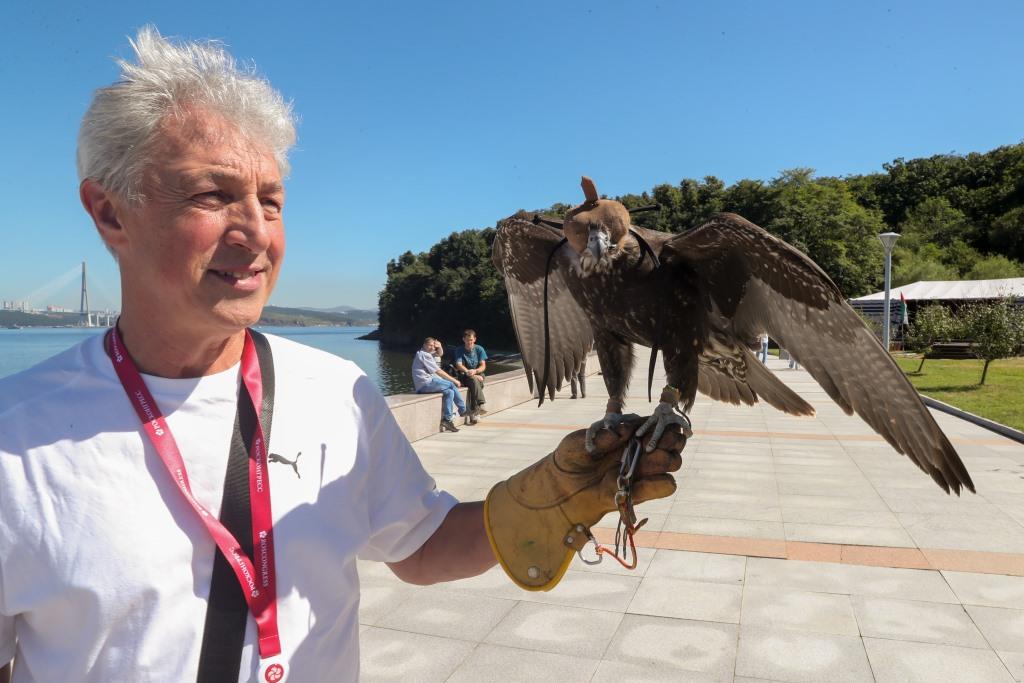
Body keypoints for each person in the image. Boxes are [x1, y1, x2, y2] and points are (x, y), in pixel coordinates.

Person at [0, 27, 684, 682]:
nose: (255, 232)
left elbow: (419, 543)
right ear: (110, 213)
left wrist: (549, 498)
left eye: (271, 201)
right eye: (213, 194)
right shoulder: (17, 439)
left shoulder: (335, 392)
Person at [412, 337, 466, 432]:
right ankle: (463, 410)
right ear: (424, 345)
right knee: (450, 384)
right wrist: (455, 380)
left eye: (433, 346)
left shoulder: (426, 353)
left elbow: (439, 354)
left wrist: (439, 346)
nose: (432, 348)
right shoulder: (425, 355)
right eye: (430, 345)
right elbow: (439, 371)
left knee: (449, 392)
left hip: (425, 384)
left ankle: (447, 420)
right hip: (425, 384)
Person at [453, 329, 487, 424]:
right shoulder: (459, 350)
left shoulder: (479, 349)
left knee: (474, 381)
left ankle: (475, 411)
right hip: (465, 375)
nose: (469, 342)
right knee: (474, 380)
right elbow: (459, 365)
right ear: (463, 339)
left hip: (478, 374)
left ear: (475, 339)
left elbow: (483, 365)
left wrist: (475, 371)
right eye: (467, 340)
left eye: (471, 340)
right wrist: (469, 371)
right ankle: (480, 405)